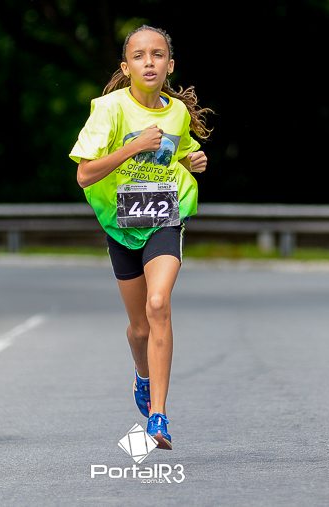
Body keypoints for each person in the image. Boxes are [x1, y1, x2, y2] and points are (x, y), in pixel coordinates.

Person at [69, 25, 212, 449]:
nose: (149, 62)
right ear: (126, 66)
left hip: (165, 218)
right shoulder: (109, 110)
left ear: (170, 65)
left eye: (157, 55)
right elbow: (84, 174)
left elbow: (177, 151)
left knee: (158, 303)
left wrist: (191, 160)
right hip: (121, 224)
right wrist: (133, 147)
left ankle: (159, 416)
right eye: (139, 56)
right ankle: (143, 376)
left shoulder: (177, 113)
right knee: (138, 329)